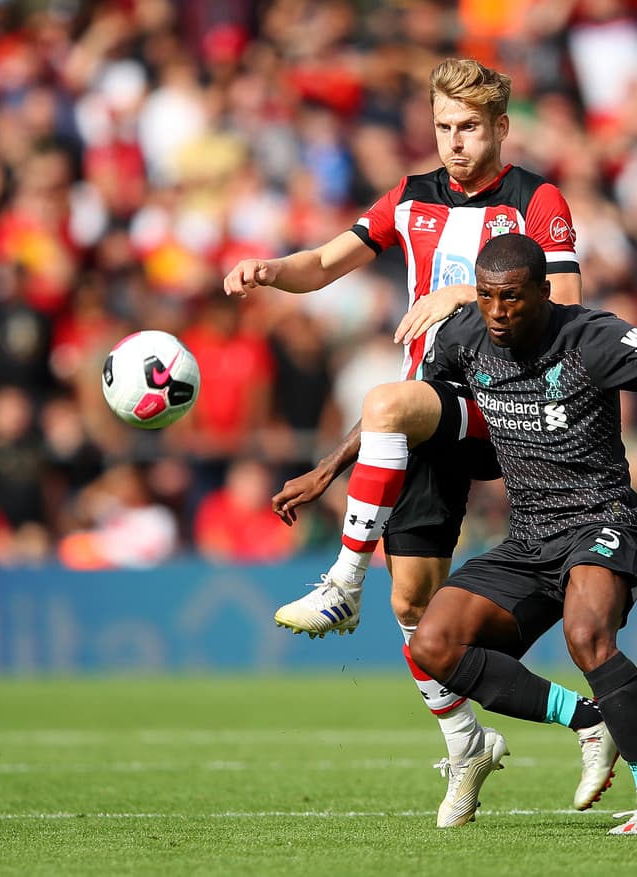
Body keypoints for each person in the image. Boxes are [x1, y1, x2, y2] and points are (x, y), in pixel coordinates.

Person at [222, 59, 597, 828]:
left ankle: (340, 581)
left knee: (385, 399)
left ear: (498, 128)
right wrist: (268, 269)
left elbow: (565, 302)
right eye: (443, 128)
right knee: (417, 612)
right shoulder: (413, 198)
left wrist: (466, 291)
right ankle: (472, 738)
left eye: (468, 128)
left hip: (507, 400)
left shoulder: (536, 200)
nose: (454, 143)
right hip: (429, 413)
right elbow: (326, 262)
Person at [367, 233, 637, 833]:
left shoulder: (590, 336)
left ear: (544, 292)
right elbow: (404, 406)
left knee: (586, 637)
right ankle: (587, 719)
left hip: (601, 522)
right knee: (432, 645)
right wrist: (330, 464)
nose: (498, 311)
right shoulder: (462, 336)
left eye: (513, 298)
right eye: (489, 296)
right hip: (528, 540)